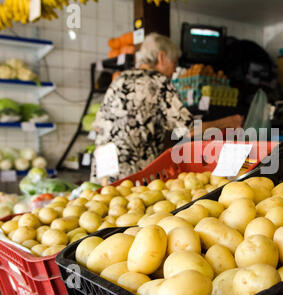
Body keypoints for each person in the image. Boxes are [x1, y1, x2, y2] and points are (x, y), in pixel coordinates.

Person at [91, 33, 243, 183]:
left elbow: (99, 127)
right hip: (132, 173)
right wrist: (230, 122)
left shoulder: (120, 79)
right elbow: (189, 130)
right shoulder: (158, 81)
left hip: (104, 169)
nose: (174, 70)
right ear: (161, 57)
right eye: (174, 63)